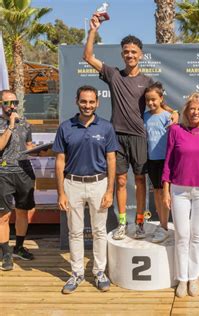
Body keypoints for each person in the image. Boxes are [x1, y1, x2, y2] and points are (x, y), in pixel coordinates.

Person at [83, 13, 178, 240]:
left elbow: (159, 103)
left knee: (139, 180)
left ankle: (140, 222)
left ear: (141, 55)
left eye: (134, 52)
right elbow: (87, 56)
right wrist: (93, 30)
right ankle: (123, 223)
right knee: (121, 180)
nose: (130, 55)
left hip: (139, 137)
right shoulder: (113, 74)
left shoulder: (147, 81)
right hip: (116, 136)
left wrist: (174, 112)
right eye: (126, 51)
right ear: (122, 54)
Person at [53, 85, 119, 294]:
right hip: (72, 185)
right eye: (84, 101)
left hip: (99, 184)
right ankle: (77, 274)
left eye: (91, 102)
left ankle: (99, 272)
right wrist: (61, 192)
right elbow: (60, 161)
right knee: (75, 232)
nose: (87, 105)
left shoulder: (106, 127)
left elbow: (111, 159)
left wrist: (110, 190)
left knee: (100, 231)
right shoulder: (65, 127)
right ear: (77, 101)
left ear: (97, 103)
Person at [162, 93, 199, 298]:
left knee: (197, 234)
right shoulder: (175, 131)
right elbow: (168, 161)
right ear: (186, 111)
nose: (196, 112)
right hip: (179, 190)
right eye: (192, 108)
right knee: (182, 235)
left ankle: (193, 277)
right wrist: (166, 190)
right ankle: (182, 279)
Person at [0, 90, 36, 271]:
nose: (11, 106)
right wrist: (11, 125)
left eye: (14, 102)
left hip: (24, 172)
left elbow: (28, 146)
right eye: (7, 103)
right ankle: (6, 253)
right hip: (4, 173)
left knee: (23, 212)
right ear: (1, 104)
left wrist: (37, 150)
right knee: (3, 216)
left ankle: (19, 247)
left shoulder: (26, 123)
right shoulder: (4, 123)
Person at [143, 82, 173, 243]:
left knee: (166, 195)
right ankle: (162, 225)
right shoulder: (145, 116)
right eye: (148, 100)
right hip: (151, 160)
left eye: (154, 99)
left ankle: (165, 226)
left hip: (166, 161)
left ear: (161, 98)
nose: (151, 103)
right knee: (157, 192)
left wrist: (173, 112)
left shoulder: (168, 117)